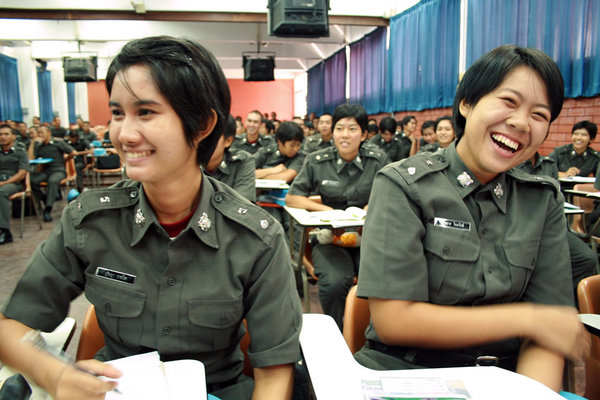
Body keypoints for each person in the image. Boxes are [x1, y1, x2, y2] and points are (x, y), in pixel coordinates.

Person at [0, 36, 302, 400]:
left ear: (203, 124)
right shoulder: (89, 220)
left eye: (145, 112)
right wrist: (55, 375)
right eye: (116, 113)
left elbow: (274, 374)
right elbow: (11, 328)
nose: (124, 134)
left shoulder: (257, 238)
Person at [353, 44, 590, 392]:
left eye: (540, 115)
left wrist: (530, 394)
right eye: (509, 102)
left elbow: (550, 332)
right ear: (467, 103)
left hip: (506, 381)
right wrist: (528, 319)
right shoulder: (404, 184)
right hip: (406, 374)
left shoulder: (542, 199)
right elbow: (394, 320)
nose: (521, 122)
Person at [286, 103, 389, 330]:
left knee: (380, 280)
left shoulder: (378, 160)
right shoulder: (317, 160)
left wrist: (369, 208)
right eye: (339, 128)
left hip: (369, 238)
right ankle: (336, 333)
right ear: (332, 132)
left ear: (364, 135)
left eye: (352, 129)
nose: (344, 135)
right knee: (334, 283)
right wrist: (330, 212)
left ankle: (372, 334)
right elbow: (293, 198)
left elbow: (392, 194)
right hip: (330, 238)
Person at [516, 152, 596, 297]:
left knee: (586, 258)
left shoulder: (549, 164)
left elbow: (555, 195)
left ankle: (553, 297)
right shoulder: (510, 162)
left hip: (548, 223)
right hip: (520, 224)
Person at [29, 125, 76, 222]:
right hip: (45, 171)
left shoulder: (57, 143)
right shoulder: (39, 146)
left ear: (49, 133)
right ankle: (45, 199)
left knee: (53, 180)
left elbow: (73, 152)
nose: (40, 135)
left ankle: (48, 209)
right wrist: (33, 142)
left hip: (58, 170)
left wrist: (65, 160)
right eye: (38, 133)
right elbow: (30, 158)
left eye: (42, 132)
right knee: (31, 180)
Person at [205, 115, 256, 202]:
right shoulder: (188, 161)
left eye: (212, 137)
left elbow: (242, 204)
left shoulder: (242, 161)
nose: (204, 141)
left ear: (228, 141)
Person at [0, 124, 28, 244]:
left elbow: (22, 173)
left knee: (1, 193)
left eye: (6, 134)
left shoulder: (20, 151)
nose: (3, 137)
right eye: (0, 134)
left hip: (14, 183)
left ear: (13, 136)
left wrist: (4, 183)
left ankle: (5, 232)